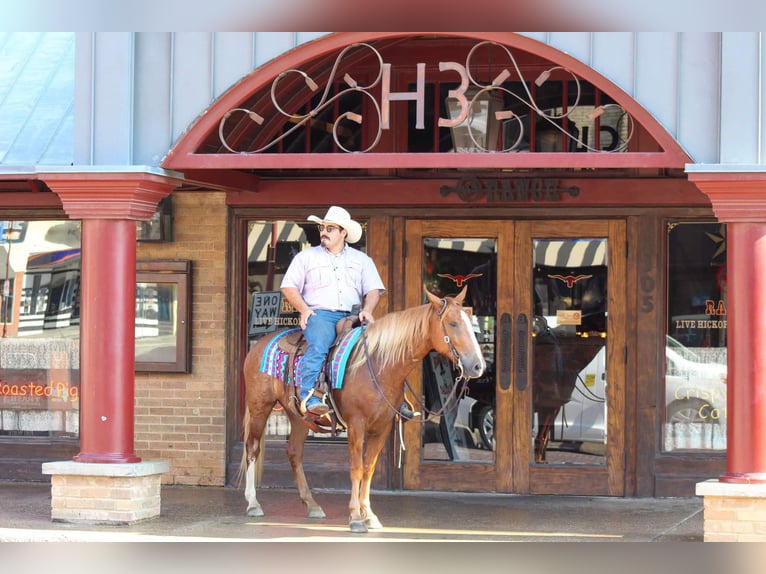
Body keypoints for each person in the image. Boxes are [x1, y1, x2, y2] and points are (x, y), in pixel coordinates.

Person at [281, 206, 408, 418]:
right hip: (320, 314)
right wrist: (303, 310)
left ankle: (398, 400)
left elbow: (373, 290)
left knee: (383, 347)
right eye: (322, 227)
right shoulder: (307, 257)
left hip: (353, 315)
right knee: (319, 345)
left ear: (343, 233)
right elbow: (288, 286)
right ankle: (309, 395)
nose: (324, 232)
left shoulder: (362, 260)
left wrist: (367, 310)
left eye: (330, 228)